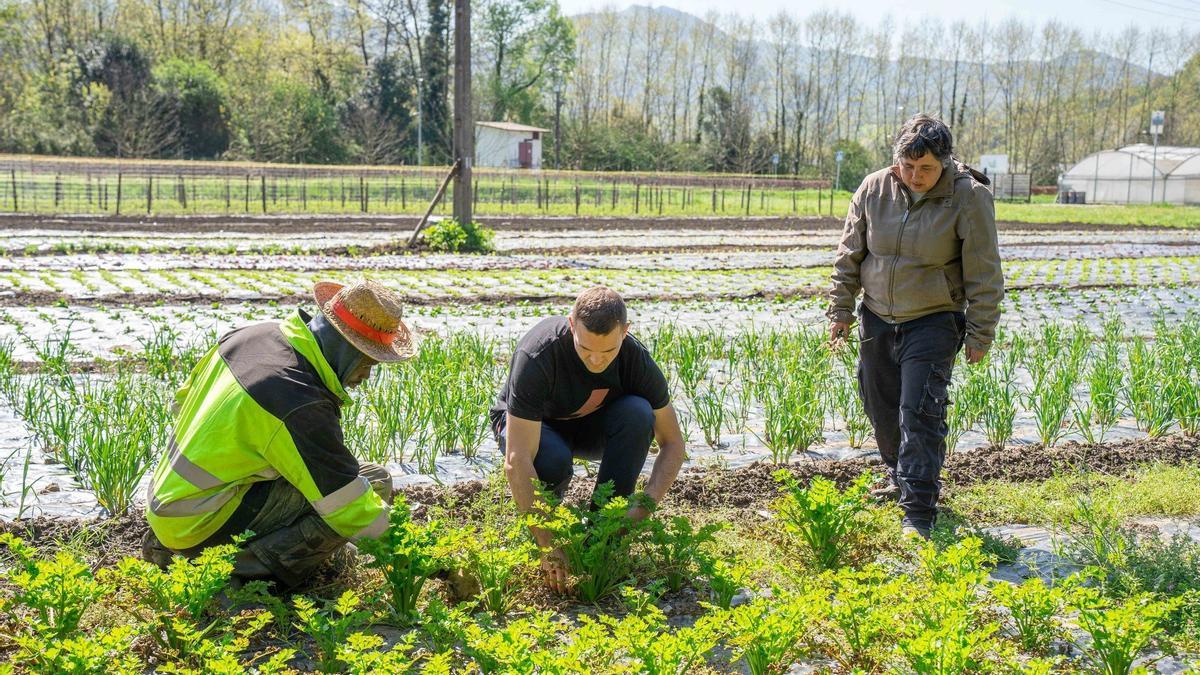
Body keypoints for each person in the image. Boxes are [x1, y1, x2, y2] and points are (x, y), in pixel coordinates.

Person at [142, 279, 417, 587]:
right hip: (199, 525)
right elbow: (350, 508)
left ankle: (175, 547)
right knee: (366, 489)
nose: (365, 376)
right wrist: (424, 561)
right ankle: (241, 574)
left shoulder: (251, 336)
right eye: (367, 362)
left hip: (166, 504)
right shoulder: (299, 401)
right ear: (347, 348)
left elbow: (181, 402)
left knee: (366, 476)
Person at [827, 113, 1003, 539]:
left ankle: (919, 511)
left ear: (944, 162)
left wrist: (980, 332)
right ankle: (898, 476)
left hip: (934, 320)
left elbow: (985, 271)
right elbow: (850, 254)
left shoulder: (968, 197)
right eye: (907, 167)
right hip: (877, 317)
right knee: (880, 405)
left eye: (925, 168)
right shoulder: (874, 188)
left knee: (920, 411)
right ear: (896, 162)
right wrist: (840, 310)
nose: (915, 176)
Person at [492, 287, 686, 592]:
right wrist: (547, 541)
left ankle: (604, 536)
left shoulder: (635, 358)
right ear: (571, 326)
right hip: (534, 429)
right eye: (585, 349)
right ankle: (550, 524)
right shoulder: (539, 353)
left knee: (638, 413)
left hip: (589, 426)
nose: (596, 360)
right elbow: (517, 460)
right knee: (552, 460)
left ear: (625, 332)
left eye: (608, 352)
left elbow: (674, 444)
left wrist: (640, 512)